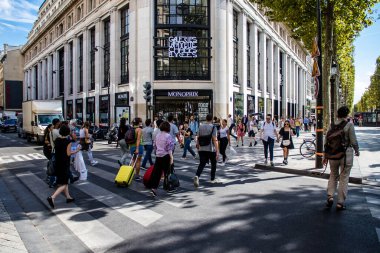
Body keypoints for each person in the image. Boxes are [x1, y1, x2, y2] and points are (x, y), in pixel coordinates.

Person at [323, 106, 360, 211]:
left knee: (333, 175)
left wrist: (325, 155)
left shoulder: (332, 125)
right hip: (345, 155)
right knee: (344, 178)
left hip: (333, 154)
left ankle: (330, 196)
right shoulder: (349, 125)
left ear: (337, 114)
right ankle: (340, 202)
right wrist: (357, 150)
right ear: (347, 115)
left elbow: (326, 140)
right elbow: (353, 141)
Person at [47, 124, 81, 209]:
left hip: (57, 163)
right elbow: (68, 153)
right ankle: (52, 197)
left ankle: (68, 197)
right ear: (67, 132)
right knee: (64, 183)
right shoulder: (67, 142)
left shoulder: (57, 140)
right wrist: (76, 150)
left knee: (63, 182)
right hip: (64, 164)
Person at [149, 121, 175, 197]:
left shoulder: (157, 135)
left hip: (158, 156)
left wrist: (157, 152)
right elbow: (169, 147)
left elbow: (154, 145)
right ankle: (168, 186)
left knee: (157, 173)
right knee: (168, 172)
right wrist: (171, 157)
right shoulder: (168, 136)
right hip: (166, 156)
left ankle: (154, 189)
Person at [194, 114, 219, 187]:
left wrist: (198, 145)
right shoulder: (213, 127)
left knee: (202, 164)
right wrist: (217, 151)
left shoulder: (201, 126)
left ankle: (197, 176)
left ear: (206, 119)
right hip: (211, 149)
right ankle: (212, 178)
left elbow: (197, 137)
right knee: (213, 164)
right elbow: (215, 139)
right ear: (212, 119)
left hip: (202, 148)